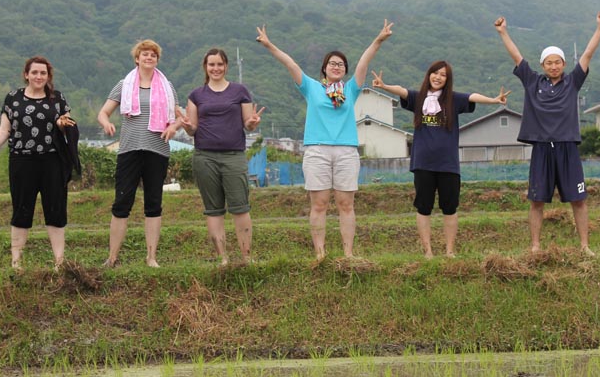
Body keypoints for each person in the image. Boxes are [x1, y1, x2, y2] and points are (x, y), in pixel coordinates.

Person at [256, 20, 393, 259]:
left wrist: (378, 40)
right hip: (317, 151)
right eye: (332, 63)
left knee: (346, 205)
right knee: (319, 205)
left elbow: (364, 62)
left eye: (341, 64)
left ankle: (348, 255)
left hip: (346, 152)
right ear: (324, 68)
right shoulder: (311, 87)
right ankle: (320, 254)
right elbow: (291, 64)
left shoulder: (351, 89)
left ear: (345, 70)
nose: (336, 66)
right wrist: (269, 45)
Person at [494, 12, 600, 256]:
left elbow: (587, 54)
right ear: (543, 65)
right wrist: (503, 32)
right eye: (549, 62)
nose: (554, 66)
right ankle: (535, 246)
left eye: (558, 62)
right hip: (542, 148)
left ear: (564, 65)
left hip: (567, 147)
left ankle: (585, 246)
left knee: (579, 200)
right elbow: (516, 55)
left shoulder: (573, 82)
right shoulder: (532, 81)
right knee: (537, 201)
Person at [371, 62, 508, 258]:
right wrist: (384, 86)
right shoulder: (419, 98)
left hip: (448, 164)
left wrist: (494, 100)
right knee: (423, 207)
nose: (438, 77)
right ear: (428, 75)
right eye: (435, 73)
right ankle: (428, 251)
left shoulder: (452, 99)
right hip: (423, 163)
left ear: (447, 79)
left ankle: (449, 251)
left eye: (443, 75)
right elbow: (402, 91)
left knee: (450, 208)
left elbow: (472, 96)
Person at [0, 56, 76, 271]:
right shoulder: (13, 98)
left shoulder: (57, 98)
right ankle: (16, 263)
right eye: (34, 72)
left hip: (52, 160)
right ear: (26, 74)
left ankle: (59, 262)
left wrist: (63, 124)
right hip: (21, 161)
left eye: (43, 73)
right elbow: (4, 130)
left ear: (48, 76)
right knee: (21, 210)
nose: (38, 76)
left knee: (55, 211)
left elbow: (67, 126)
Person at [97, 40, 183, 268]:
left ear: (157, 60)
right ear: (137, 58)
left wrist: (173, 127)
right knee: (122, 203)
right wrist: (106, 123)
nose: (149, 58)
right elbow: (103, 113)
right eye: (145, 54)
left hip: (157, 150)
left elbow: (180, 116)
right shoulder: (124, 84)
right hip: (129, 149)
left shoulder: (167, 86)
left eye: (153, 55)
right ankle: (112, 257)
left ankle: (151, 257)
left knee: (153, 204)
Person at [178, 48, 264, 265]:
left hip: (234, 156)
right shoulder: (196, 95)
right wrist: (187, 127)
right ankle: (223, 259)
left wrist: (252, 123)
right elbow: (193, 128)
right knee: (213, 210)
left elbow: (248, 123)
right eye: (211, 64)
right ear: (205, 67)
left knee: (240, 207)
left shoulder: (240, 91)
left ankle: (246, 257)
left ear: (226, 66)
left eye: (219, 64)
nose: (215, 68)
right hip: (204, 157)